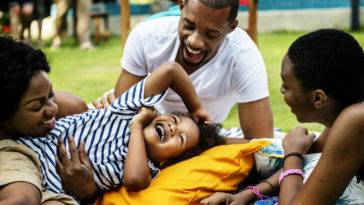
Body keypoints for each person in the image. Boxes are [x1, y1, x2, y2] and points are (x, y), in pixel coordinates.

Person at [16, 59, 225, 203]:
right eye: (174, 119)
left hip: (51, 189)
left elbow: (134, 181)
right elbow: (171, 70)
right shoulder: (128, 109)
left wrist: (137, 126)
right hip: (32, 145)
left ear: (167, 162)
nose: (172, 127)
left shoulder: (147, 167)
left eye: (180, 138)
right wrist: (196, 108)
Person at [200, 29, 364, 204]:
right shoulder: (344, 112)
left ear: (318, 98)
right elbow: (308, 157)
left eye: (286, 86)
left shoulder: (355, 118)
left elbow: (297, 160)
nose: (281, 90)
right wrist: (247, 194)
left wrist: (292, 153)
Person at [92, 0, 274, 140]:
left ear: (231, 28)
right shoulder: (148, 36)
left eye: (210, 34)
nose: (194, 41)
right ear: (181, 5)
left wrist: (199, 140)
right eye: (188, 26)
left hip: (197, 137)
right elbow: (120, 118)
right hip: (146, 127)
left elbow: (261, 143)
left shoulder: (243, 57)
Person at [0, 36, 78, 205]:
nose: (53, 109)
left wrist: (89, 189)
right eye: (37, 106)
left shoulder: (68, 108)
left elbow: (76, 107)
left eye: (51, 95)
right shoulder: (9, 155)